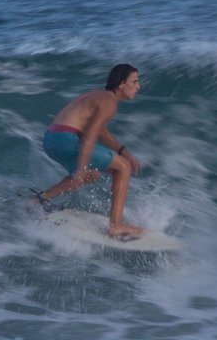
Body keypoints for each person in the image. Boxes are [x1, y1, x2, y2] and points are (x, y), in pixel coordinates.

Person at [33, 63, 145, 238]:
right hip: (66, 139)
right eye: (135, 82)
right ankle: (116, 225)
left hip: (52, 139)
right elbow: (90, 137)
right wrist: (80, 168)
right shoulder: (109, 103)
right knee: (123, 167)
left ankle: (39, 200)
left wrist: (125, 153)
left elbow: (101, 132)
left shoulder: (99, 97)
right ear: (122, 84)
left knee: (91, 175)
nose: (138, 86)